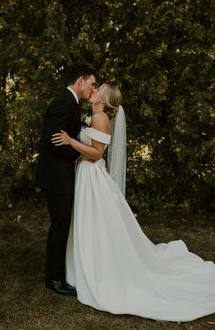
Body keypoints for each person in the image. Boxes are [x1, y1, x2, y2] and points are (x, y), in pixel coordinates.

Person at [51, 83, 215, 321]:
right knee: (89, 221)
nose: (94, 91)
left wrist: (69, 140)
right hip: (86, 174)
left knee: (93, 221)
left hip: (92, 174)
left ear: (103, 98)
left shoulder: (99, 118)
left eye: (98, 89)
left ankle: (96, 266)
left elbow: (96, 153)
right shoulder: (96, 116)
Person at [35, 63, 96, 295]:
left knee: (62, 225)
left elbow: (66, 136)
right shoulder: (63, 102)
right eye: (91, 83)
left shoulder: (71, 102)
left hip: (60, 174)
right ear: (80, 80)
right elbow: (52, 140)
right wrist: (78, 156)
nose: (93, 88)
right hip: (56, 176)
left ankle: (58, 273)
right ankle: (54, 279)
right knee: (60, 226)